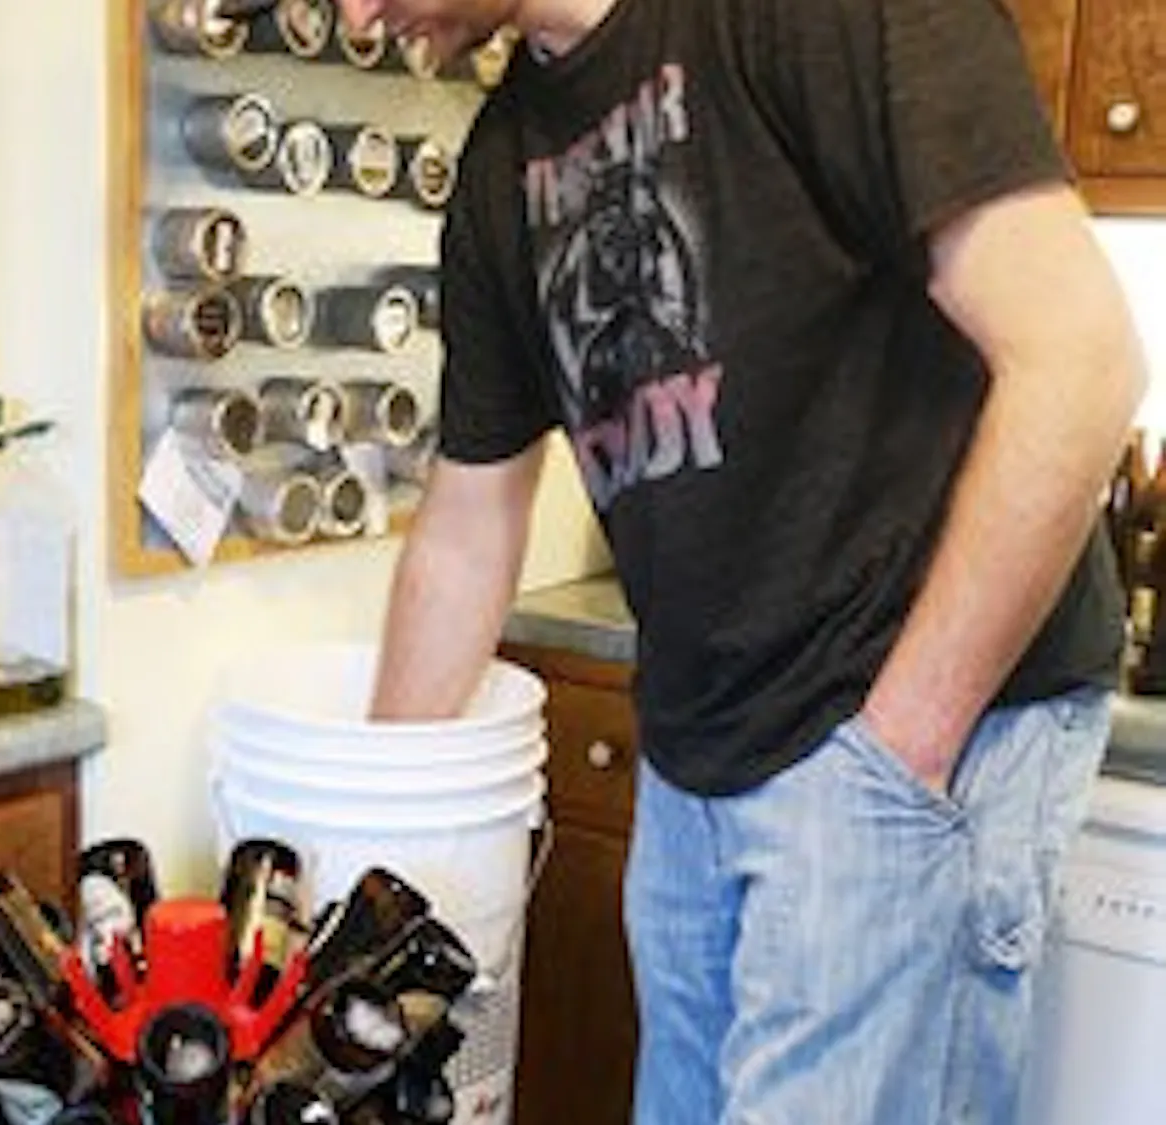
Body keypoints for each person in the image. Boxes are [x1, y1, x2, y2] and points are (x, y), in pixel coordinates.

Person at [346, 0, 1151, 1119]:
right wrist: (367, 847)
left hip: (895, 721)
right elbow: (467, 528)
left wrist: (899, 747)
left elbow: (1080, 358)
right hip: (696, 753)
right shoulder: (502, 169)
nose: (351, 15)